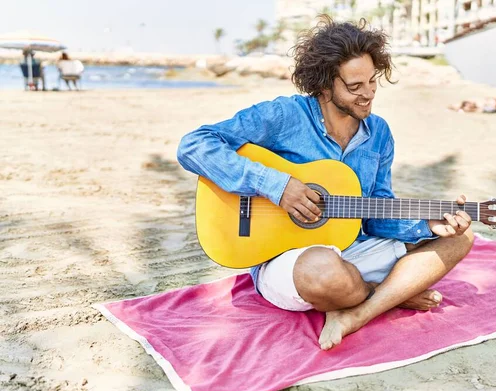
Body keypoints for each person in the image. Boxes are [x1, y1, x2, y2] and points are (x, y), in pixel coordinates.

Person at [177, 16, 474, 351]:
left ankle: (358, 311)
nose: (368, 95)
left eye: (372, 82)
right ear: (324, 85)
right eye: (354, 86)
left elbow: (376, 212)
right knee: (325, 272)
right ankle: (390, 293)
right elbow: (195, 144)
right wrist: (276, 185)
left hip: (354, 249)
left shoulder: (379, 134)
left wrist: (425, 225)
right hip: (289, 259)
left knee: (462, 238)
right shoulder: (284, 116)